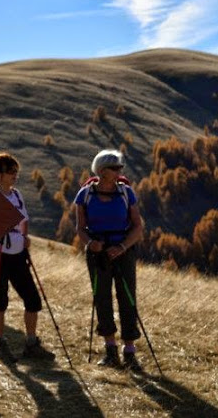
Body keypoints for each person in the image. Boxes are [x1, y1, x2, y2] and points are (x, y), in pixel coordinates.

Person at [75, 149, 144, 372]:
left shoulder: (126, 192)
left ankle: (129, 351)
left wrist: (122, 247)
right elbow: (80, 228)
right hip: (98, 253)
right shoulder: (85, 195)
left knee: (127, 297)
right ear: (102, 170)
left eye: (119, 168)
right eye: (115, 168)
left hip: (123, 251)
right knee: (101, 297)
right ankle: (110, 350)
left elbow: (138, 227)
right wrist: (90, 243)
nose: (119, 172)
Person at [0, 151, 55, 362]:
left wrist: (25, 237)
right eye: (11, 171)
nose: (15, 175)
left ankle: (31, 343)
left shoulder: (17, 195)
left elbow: (24, 220)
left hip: (17, 253)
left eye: (16, 171)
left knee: (32, 299)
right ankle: (0, 343)